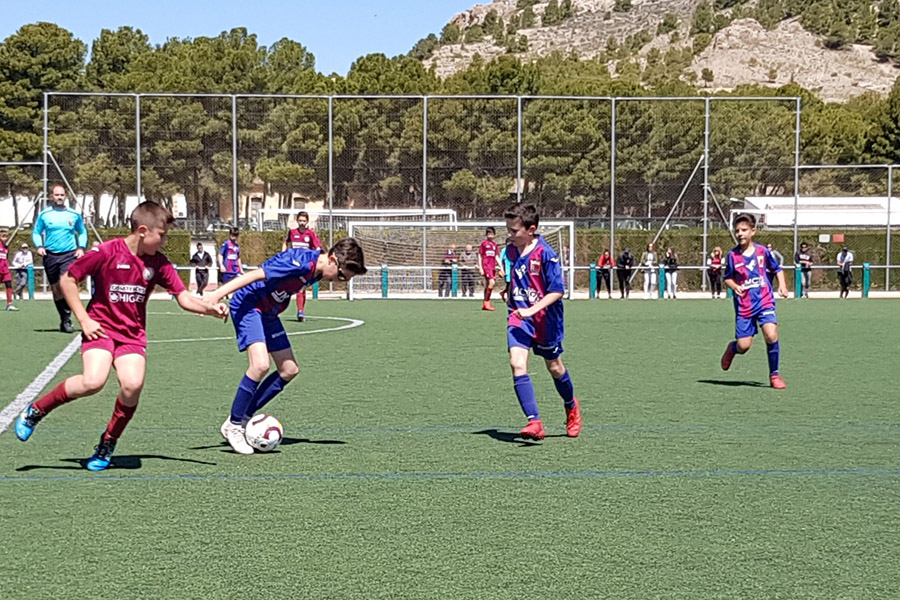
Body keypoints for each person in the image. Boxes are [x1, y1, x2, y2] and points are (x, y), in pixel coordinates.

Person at [14, 201, 228, 470]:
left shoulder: (159, 263)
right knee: (93, 381)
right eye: (161, 235)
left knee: (132, 385)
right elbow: (69, 279)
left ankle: (108, 442)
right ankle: (37, 411)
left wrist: (210, 309)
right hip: (101, 329)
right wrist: (84, 318)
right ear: (142, 231)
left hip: (131, 337)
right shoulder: (107, 251)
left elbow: (183, 298)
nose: (164, 241)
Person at [206, 238, 367, 454]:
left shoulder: (318, 270)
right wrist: (216, 295)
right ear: (331, 259)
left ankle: (244, 417)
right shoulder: (297, 262)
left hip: (269, 312)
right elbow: (254, 275)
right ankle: (233, 426)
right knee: (260, 365)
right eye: (340, 276)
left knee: (289, 370)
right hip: (249, 304)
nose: (338, 281)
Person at [502, 203, 581, 441]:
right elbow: (515, 276)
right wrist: (507, 290)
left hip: (546, 321)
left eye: (514, 230)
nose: (510, 235)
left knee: (555, 368)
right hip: (519, 317)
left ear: (531, 229)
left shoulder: (546, 254)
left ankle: (571, 406)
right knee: (517, 364)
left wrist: (532, 309)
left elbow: (557, 290)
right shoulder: (511, 251)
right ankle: (534, 421)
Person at [720, 213, 789, 389]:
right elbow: (727, 278)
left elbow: (778, 269)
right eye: (737, 231)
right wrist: (735, 286)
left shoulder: (762, 252)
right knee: (744, 346)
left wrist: (782, 285)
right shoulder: (732, 256)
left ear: (753, 231)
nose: (740, 234)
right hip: (744, 306)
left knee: (771, 335)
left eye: (744, 230)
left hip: (765, 301)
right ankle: (733, 348)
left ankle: (774, 375)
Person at [32, 185, 88, 332]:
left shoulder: (73, 214)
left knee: (67, 284)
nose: (59, 197)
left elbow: (82, 232)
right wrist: (39, 246)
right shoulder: (45, 215)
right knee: (56, 289)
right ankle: (64, 319)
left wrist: (81, 247)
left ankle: (73, 317)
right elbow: (36, 232)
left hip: (69, 254)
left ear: (65, 196)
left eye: (62, 195)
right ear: (52, 196)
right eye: (57, 195)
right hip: (50, 255)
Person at [281, 211, 322, 321]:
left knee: (300, 288)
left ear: (307, 221)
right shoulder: (292, 232)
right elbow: (286, 242)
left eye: (304, 221)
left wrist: (314, 257)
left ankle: (300, 311)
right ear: (297, 221)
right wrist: (283, 254)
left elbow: (318, 247)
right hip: (293, 264)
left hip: (305, 265)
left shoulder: (310, 233)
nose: (302, 223)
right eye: (300, 221)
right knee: (287, 286)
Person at [478, 226, 499, 311]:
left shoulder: (495, 245)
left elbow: (497, 256)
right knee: (492, 282)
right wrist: (480, 267)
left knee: (488, 284)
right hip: (486, 266)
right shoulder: (484, 244)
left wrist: (501, 267)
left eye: (492, 233)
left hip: (492, 267)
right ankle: (487, 302)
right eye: (489, 233)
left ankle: (485, 303)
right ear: (486, 235)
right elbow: (480, 255)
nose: (490, 235)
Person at [498, 238, 512, 303]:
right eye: (508, 243)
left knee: (513, 285)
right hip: (507, 270)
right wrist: (501, 269)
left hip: (514, 269)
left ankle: (503, 292)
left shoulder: (515, 249)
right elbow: (500, 260)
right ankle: (509, 299)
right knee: (509, 284)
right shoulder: (504, 250)